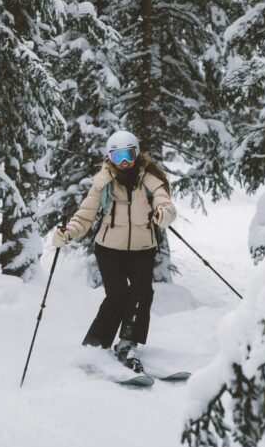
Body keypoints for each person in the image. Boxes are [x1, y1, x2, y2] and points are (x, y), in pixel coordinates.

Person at [51, 130, 176, 373]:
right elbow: (85, 214)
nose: (124, 162)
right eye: (118, 157)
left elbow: (165, 203)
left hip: (143, 248)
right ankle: (95, 345)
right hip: (109, 249)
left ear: (136, 153)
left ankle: (128, 344)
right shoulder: (103, 182)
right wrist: (68, 232)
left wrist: (164, 214)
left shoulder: (150, 179)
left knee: (141, 294)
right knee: (117, 295)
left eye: (128, 155)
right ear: (111, 158)